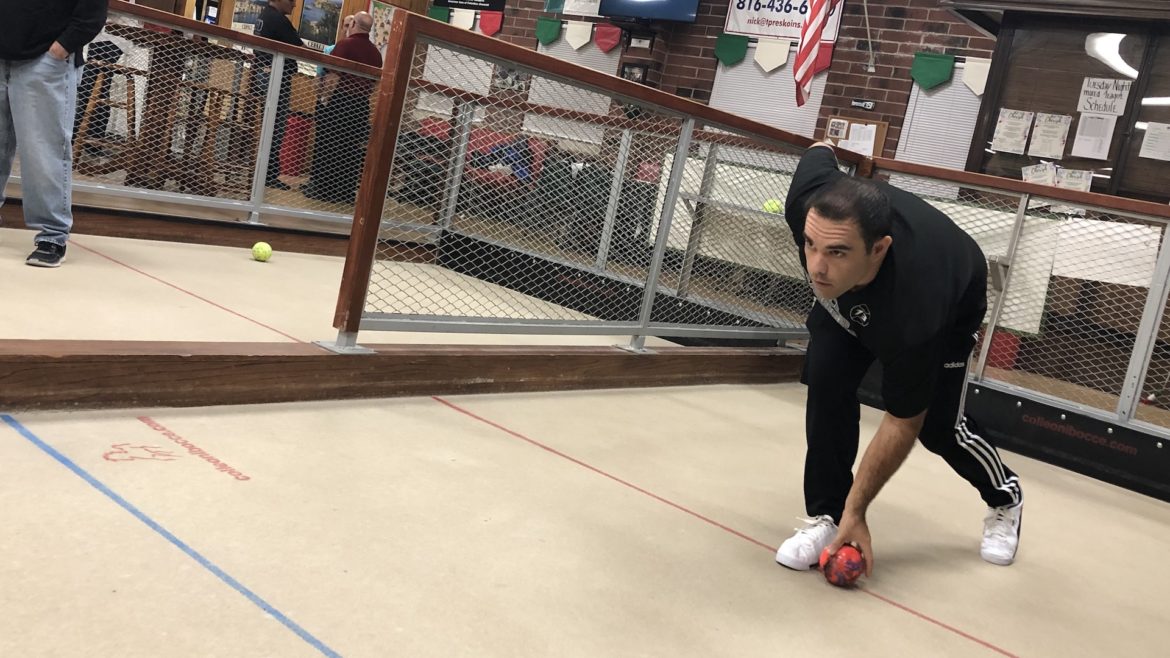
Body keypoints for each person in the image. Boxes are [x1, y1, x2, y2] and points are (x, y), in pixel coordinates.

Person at [774, 142, 1024, 577]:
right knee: (828, 387)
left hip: (952, 302)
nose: (815, 266)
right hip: (846, 300)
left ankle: (1005, 497)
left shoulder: (918, 309)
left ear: (878, 248)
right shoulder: (807, 204)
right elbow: (818, 150)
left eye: (835, 252)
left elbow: (901, 421)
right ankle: (825, 517)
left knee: (937, 427)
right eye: (810, 245)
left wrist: (861, 509)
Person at [0, 0, 108, 267]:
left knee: (43, 151)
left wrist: (62, 47)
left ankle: (52, 235)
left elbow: (92, 10)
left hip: (46, 60)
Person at [302, 11, 382, 205]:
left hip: (340, 102)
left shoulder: (344, 45)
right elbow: (373, 84)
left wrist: (325, 100)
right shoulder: (376, 53)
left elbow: (332, 77)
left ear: (353, 23)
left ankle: (323, 189)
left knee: (329, 145)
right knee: (351, 149)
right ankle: (344, 192)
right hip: (361, 106)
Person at [252, 0, 304, 191]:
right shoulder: (277, 19)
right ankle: (268, 174)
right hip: (275, 78)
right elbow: (300, 47)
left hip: (264, 75)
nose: (294, 5)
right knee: (275, 127)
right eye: (292, 0)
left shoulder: (264, 16)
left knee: (270, 126)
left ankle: (265, 172)